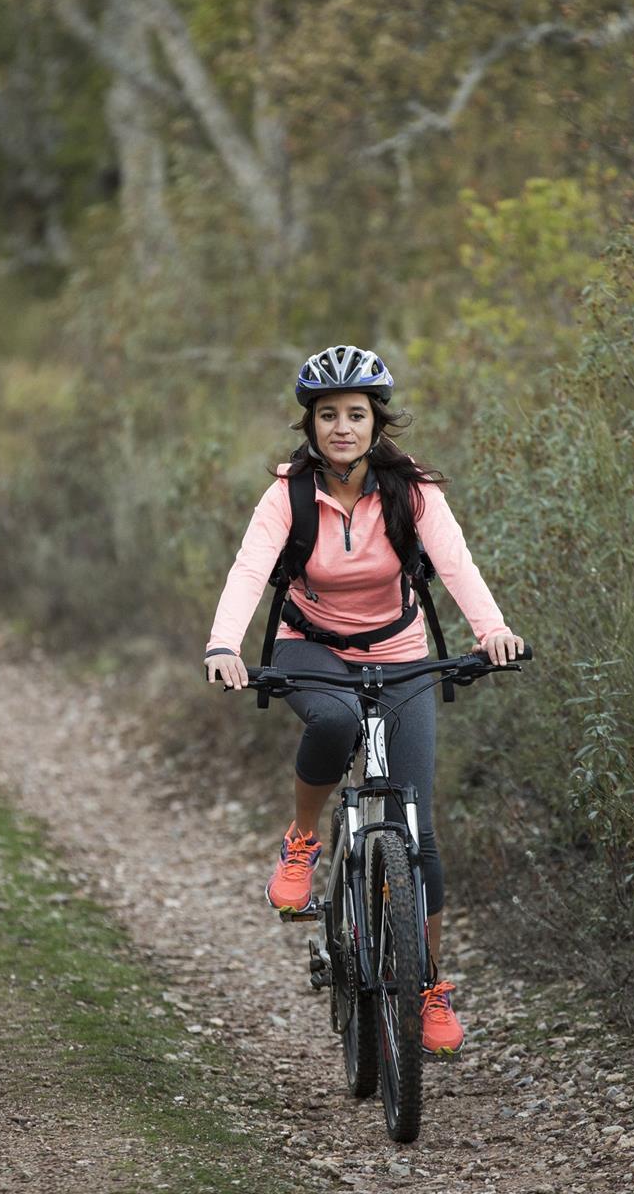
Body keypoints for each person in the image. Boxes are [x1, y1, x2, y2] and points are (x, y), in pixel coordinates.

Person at [203, 345, 524, 1055]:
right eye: (328, 416)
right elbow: (249, 570)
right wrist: (224, 645)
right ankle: (303, 841)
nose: (342, 427)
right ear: (310, 425)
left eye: (356, 414)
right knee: (337, 719)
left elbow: (456, 564)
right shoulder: (288, 493)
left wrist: (493, 631)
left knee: (421, 828)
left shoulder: (413, 491)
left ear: (377, 422)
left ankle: (429, 985)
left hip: (401, 651)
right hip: (309, 645)